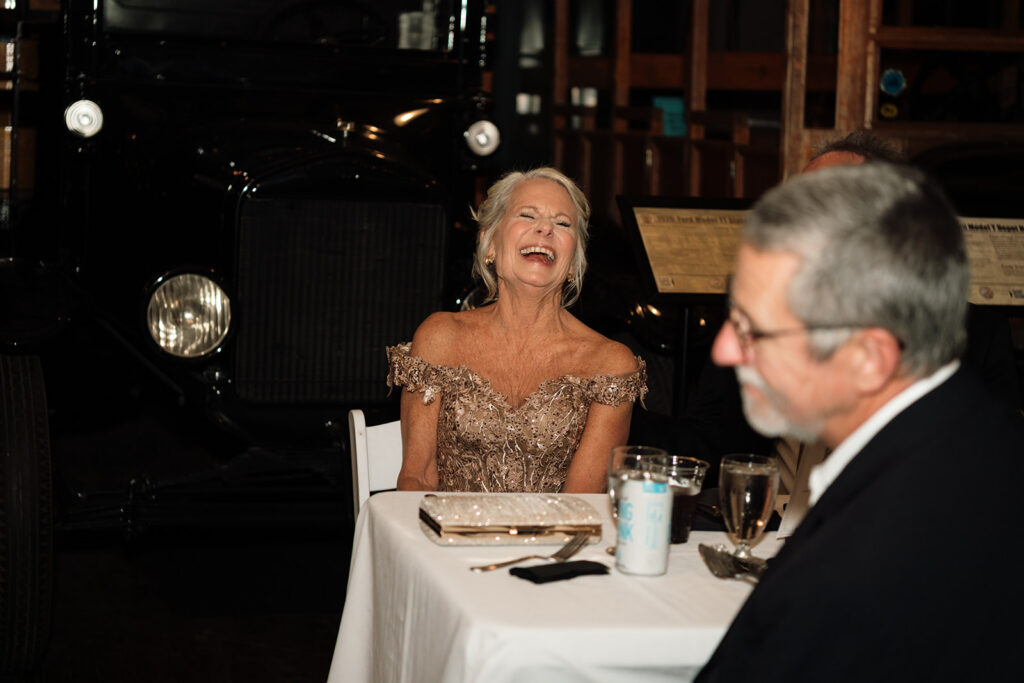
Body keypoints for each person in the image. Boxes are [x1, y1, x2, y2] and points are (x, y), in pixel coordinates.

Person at [694, 162, 1024, 682]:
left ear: (870, 357)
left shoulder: (870, 565)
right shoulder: (965, 430)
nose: (724, 350)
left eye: (752, 329)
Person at [387, 167, 647, 493]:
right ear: (489, 242)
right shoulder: (441, 337)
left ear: (573, 261)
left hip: (553, 542)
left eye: (562, 224)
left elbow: (582, 502)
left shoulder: (609, 365)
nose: (545, 229)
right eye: (527, 216)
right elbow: (417, 477)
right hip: (448, 538)